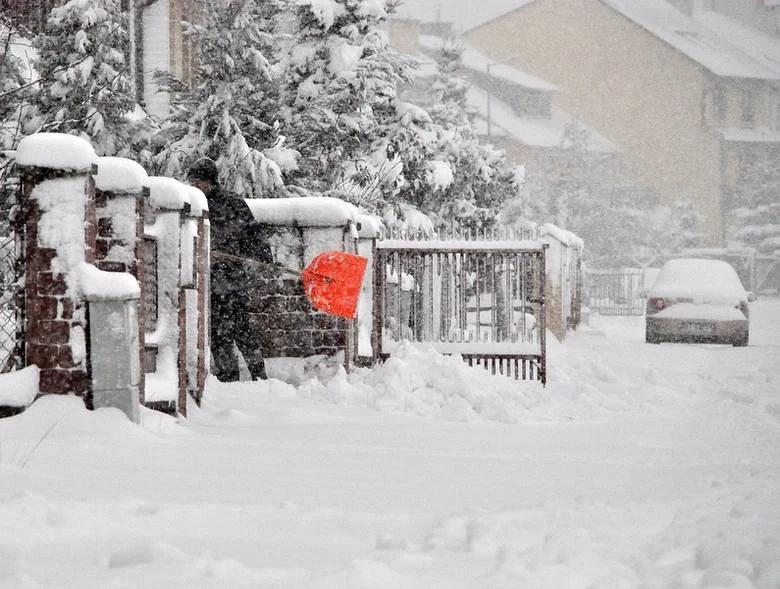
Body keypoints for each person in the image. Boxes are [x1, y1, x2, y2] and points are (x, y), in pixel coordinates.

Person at [186, 157, 270, 382]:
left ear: (210, 181)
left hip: (232, 278)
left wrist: (262, 257)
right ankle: (227, 376)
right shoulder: (193, 205)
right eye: (192, 182)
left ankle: (259, 376)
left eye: (199, 182)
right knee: (216, 332)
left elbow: (253, 234)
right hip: (208, 279)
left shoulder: (233, 203)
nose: (195, 186)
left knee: (242, 330)